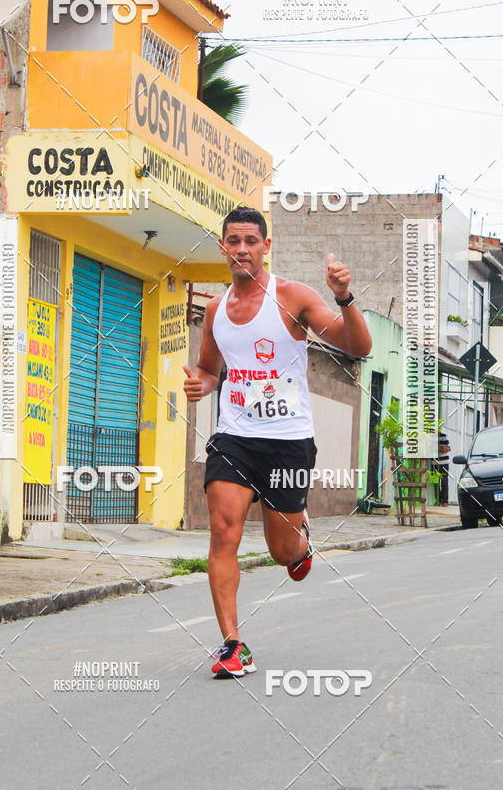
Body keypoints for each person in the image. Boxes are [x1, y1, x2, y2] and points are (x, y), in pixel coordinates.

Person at [182, 207, 372, 678]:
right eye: (233, 241)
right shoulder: (215, 311)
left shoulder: (292, 297)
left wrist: (344, 298)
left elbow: (358, 347)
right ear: (223, 247)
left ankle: (299, 539)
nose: (242, 249)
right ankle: (233, 645)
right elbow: (209, 369)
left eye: (251, 240)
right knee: (222, 530)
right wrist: (201, 384)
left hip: (287, 442)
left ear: (266, 247)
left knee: (282, 553)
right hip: (234, 437)